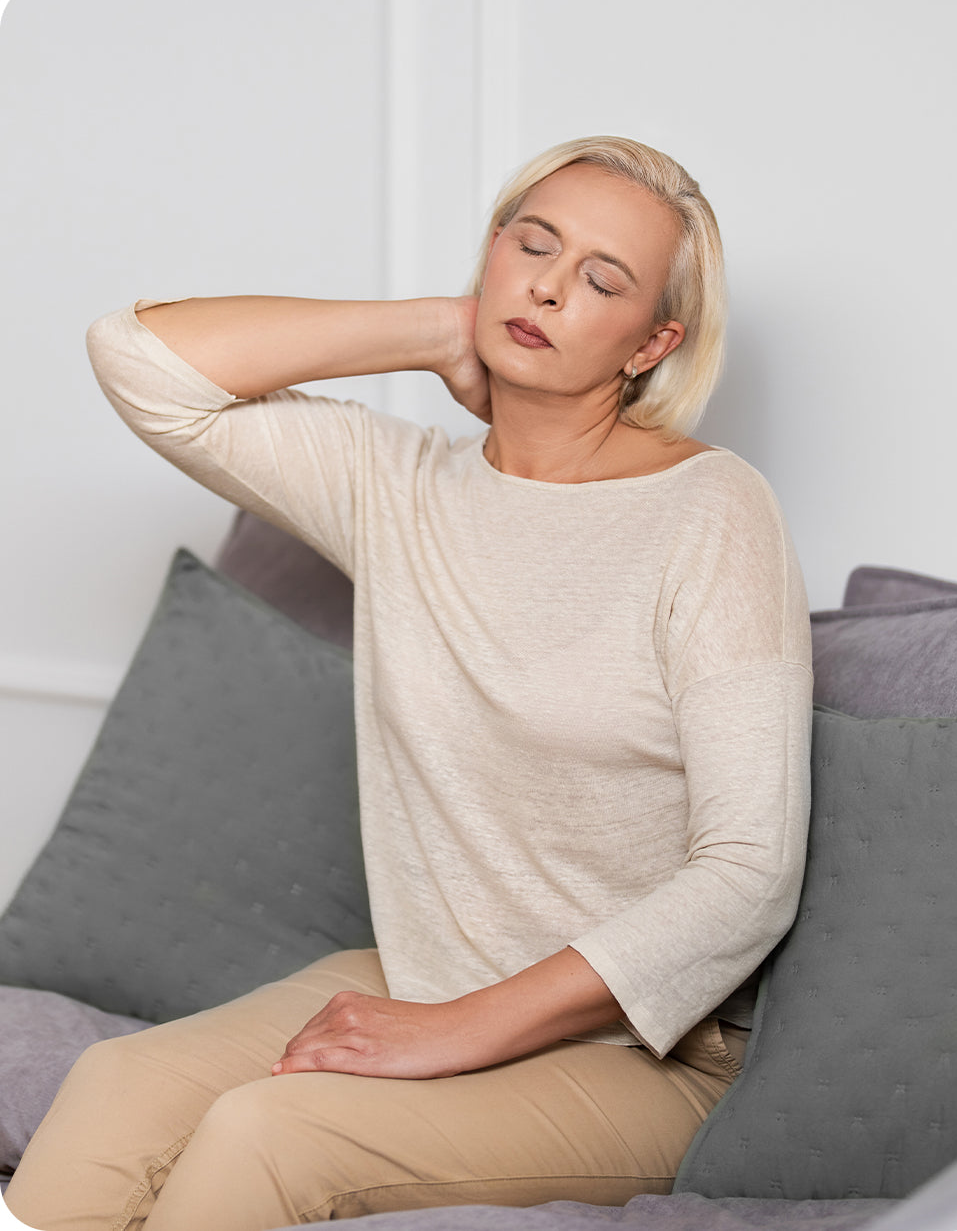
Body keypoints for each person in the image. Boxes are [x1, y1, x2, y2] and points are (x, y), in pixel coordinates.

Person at [5, 135, 812, 1230]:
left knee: (265, 1132)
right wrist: (437, 327)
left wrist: (466, 1024)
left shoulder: (712, 512)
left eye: (600, 279)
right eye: (532, 245)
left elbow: (749, 870)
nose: (547, 285)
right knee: (110, 1087)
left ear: (651, 344)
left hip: (638, 1053)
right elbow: (139, 359)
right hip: (418, 973)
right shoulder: (397, 486)